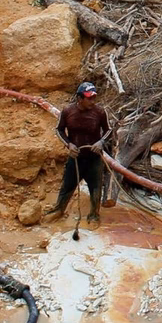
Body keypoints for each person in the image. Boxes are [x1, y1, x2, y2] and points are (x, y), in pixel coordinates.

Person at [52, 81, 110, 226]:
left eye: (93, 98)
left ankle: (94, 216)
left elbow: (109, 130)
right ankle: (58, 210)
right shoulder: (67, 111)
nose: (92, 101)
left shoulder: (100, 112)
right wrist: (68, 144)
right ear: (79, 98)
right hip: (76, 157)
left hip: (94, 158)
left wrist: (101, 142)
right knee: (67, 186)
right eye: (89, 98)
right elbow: (59, 130)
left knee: (95, 188)